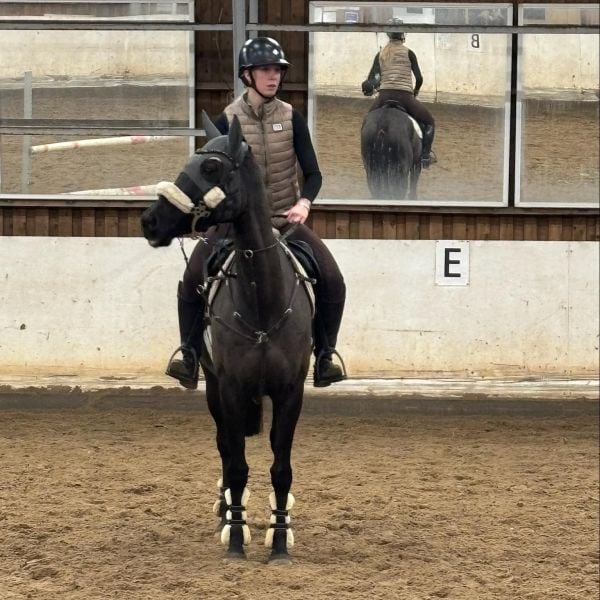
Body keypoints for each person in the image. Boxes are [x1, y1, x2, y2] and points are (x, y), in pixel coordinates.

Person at [166, 36, 347, 390]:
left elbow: (314, 174)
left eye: (277, 70)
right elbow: (210, 176)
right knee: (191, 278)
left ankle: (326, 355)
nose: (273, 76)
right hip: (235, 226)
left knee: (333, 279)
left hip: (284, 221)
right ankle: (188, 353)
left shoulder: (292, 118)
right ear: (247, 75)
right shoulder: (225, 121)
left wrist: (304, 203)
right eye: (265, 70)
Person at [361, 18, 437, 167]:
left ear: (388, 34)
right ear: (402, 34)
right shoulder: (409, 53)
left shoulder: (381, 54)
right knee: (429, 123)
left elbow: (373, 79)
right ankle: (425, 156)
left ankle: (367, 156)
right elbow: (419, 78)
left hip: (383, 97)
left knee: (366, 122)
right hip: (405, 97)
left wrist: (373, 86)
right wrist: (415, 92)